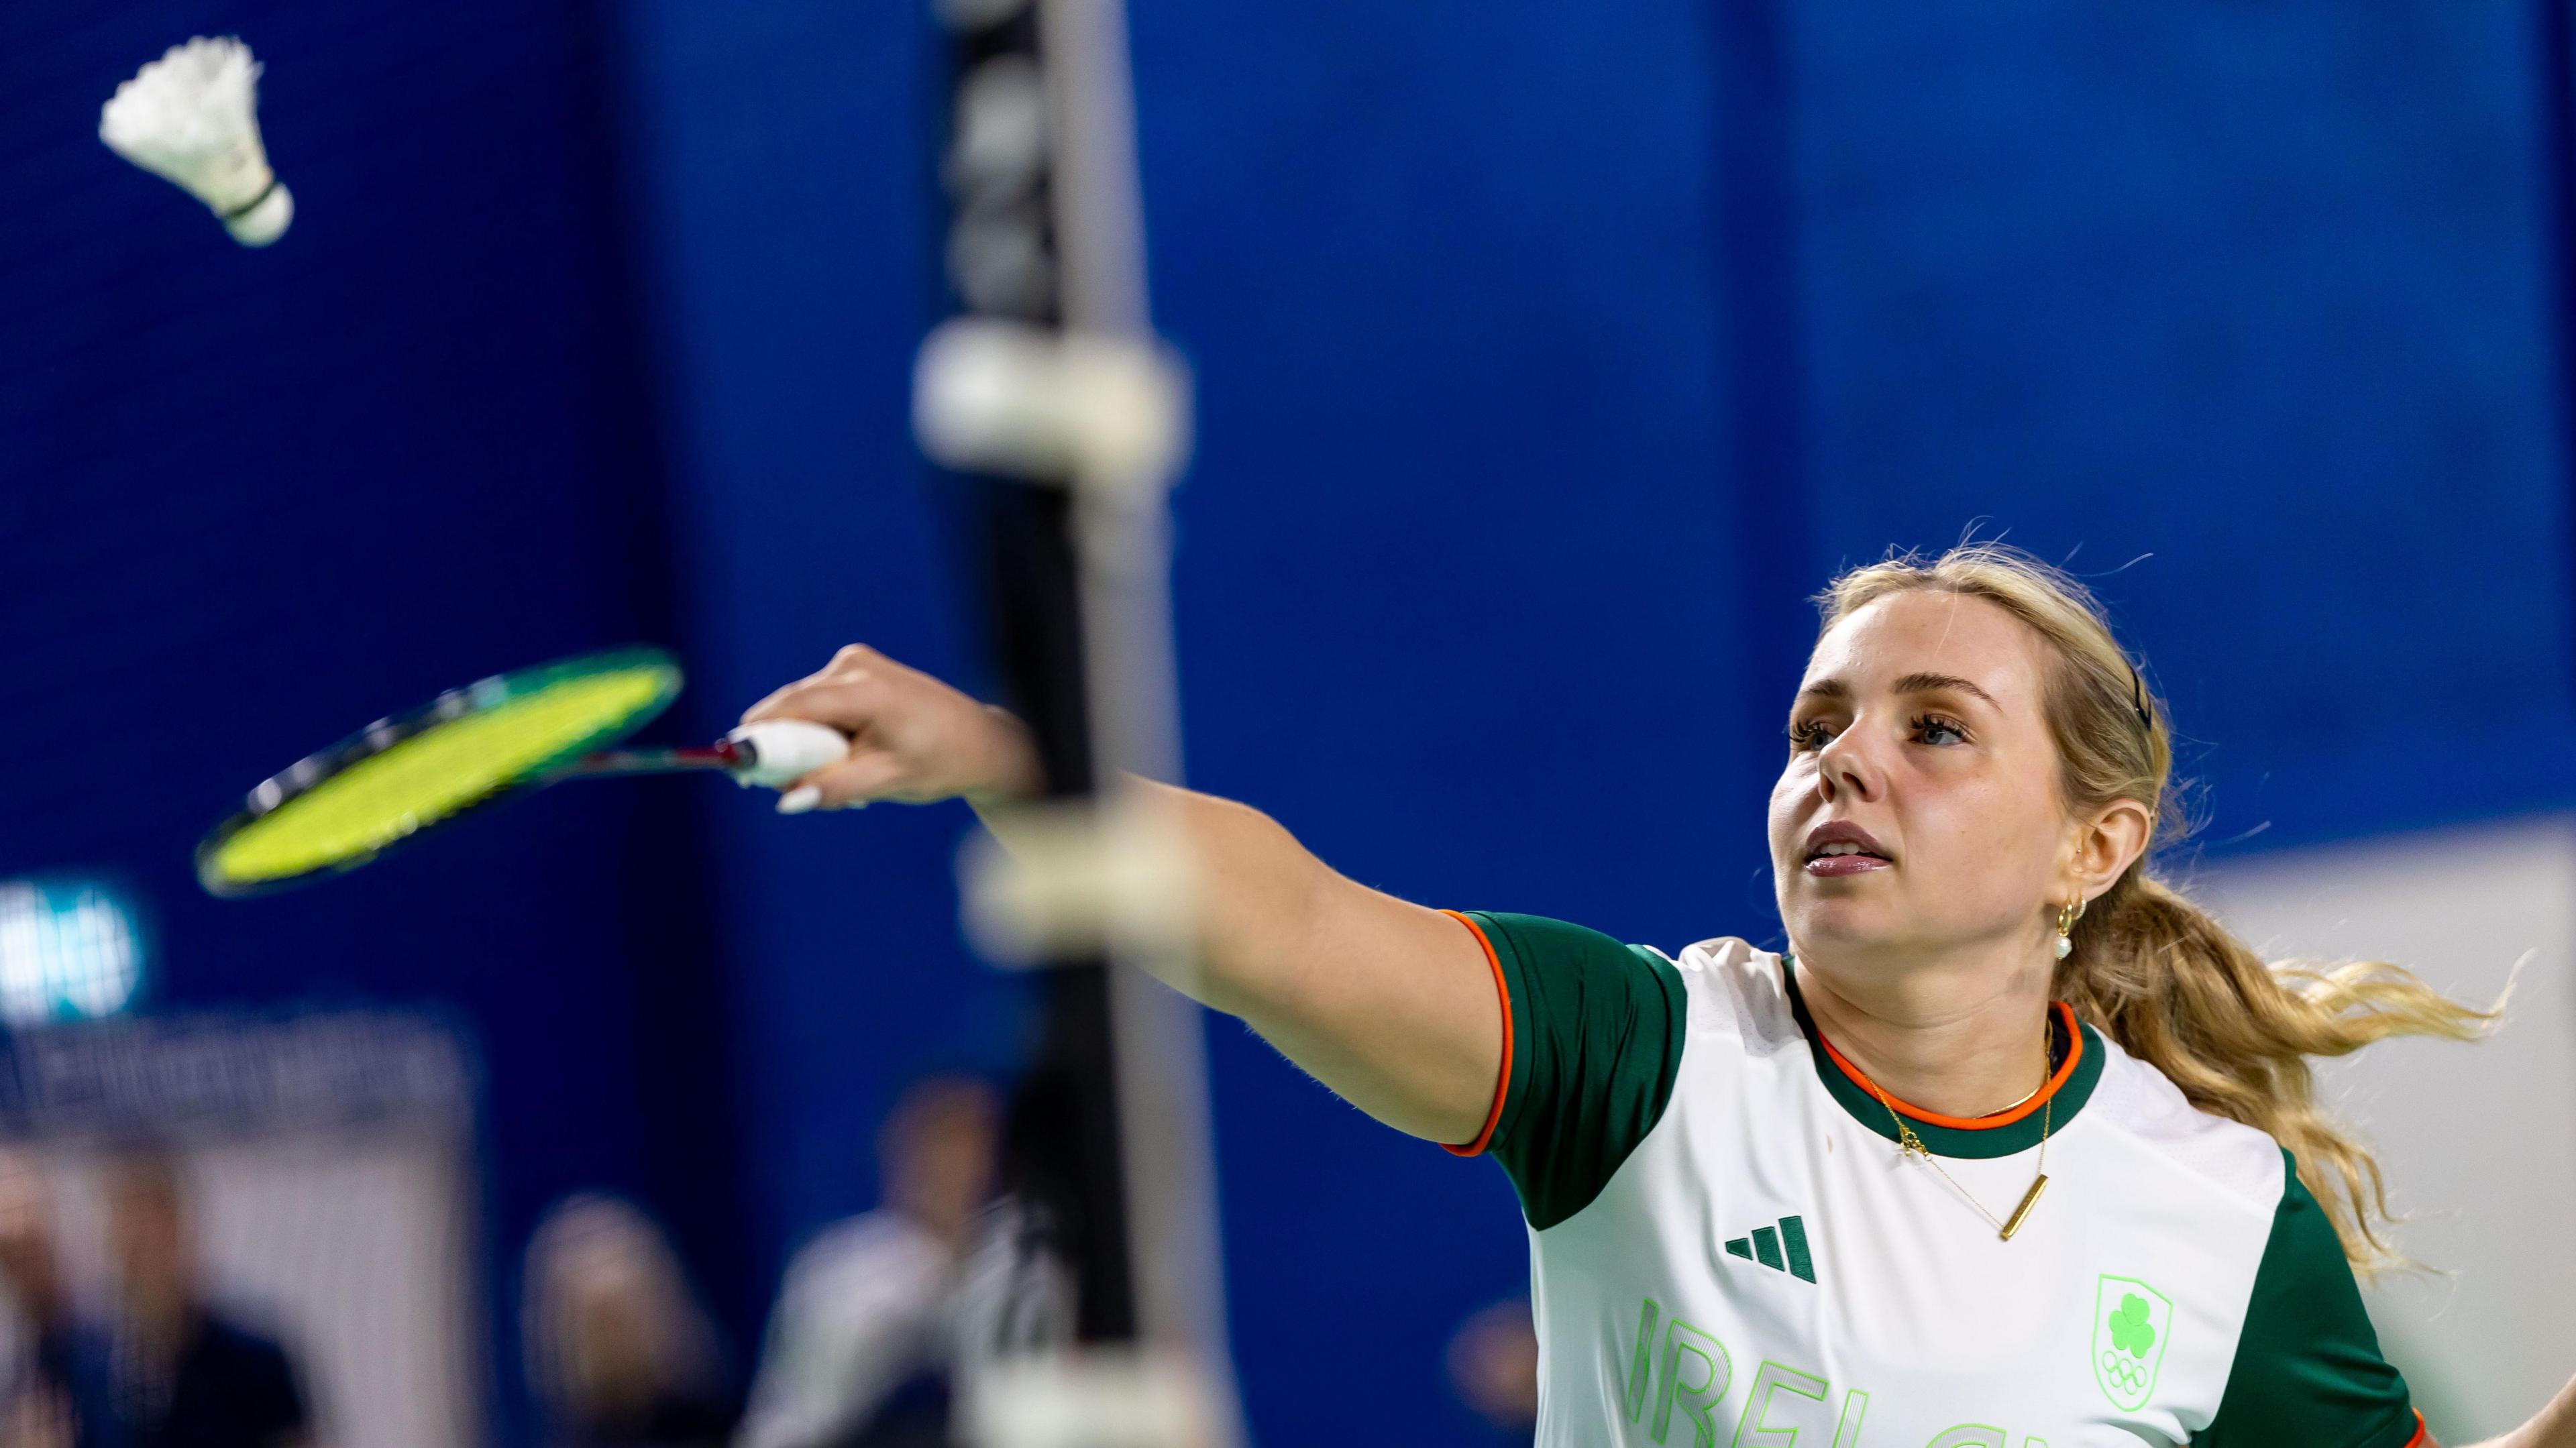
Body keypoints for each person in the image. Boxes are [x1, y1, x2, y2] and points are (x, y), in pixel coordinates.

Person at [742, 541, 2576, 1447]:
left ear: (2091, 845)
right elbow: (1284, 917)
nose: (1845, 763)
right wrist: (1002, 754)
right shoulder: (1651, 1056)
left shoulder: (2218, 1213)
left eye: (1934, 727)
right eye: (1816, 725)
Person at [735, 1074, 1016, 1448]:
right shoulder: (836, 1271)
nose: (959, 1167)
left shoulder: (1029, 1260)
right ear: (901, 1158)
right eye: (941, 1145)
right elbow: (787, 1419)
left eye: (975, 1146)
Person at [101, 1150, 309, 1448]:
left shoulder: (254, 1362)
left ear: (182, 1229)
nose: (142, 1241)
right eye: (128, 1226)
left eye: (154, 1224)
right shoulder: (93, 1369)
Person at [522, 1194, 739, 1448]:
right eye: (601, 1327)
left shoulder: (732, 1424)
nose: (618, 1343)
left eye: (623, 1320)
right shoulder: (569, 1436)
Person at [0, 1149, 113, 1448]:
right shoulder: (18, 1341)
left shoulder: (103, 1334)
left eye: (28, 1247)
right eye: (8, 1256)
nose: (20, 1269)